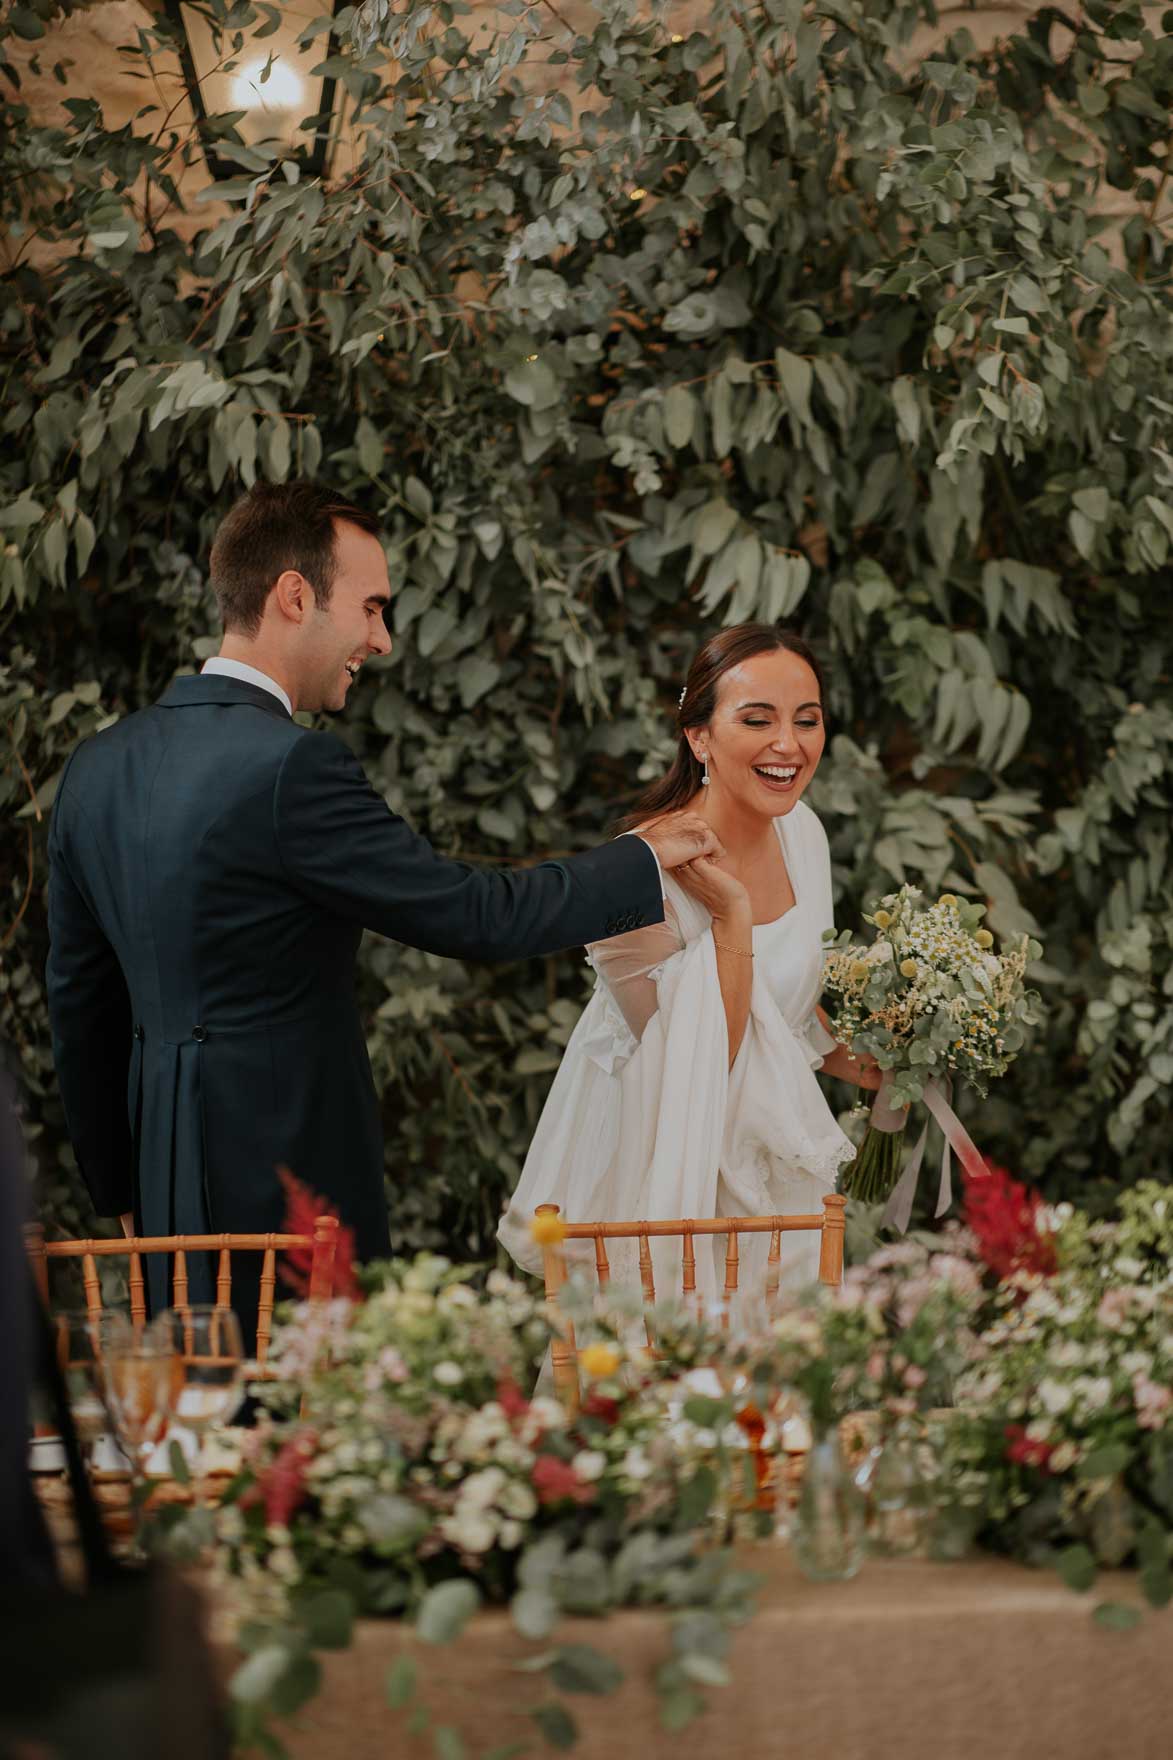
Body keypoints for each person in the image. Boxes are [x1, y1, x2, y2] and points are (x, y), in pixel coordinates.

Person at [45, 481, 719, 1339]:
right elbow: (474, 915)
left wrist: (120, 1191)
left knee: (205, 1448)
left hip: (161, 1197)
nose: (381, 638)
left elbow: (80, 1006)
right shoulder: (293, 771)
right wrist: (641, 859)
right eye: (370, 607)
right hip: (293, 1196)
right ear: (295, 596)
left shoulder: (95, 770)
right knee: (314, 1444)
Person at [498, 623, 881, 1303]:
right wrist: (729, 915)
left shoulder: (802, 831)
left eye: (807, 720)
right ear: (697, 736)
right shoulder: (638, 876)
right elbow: (704, 1068)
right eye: (756, 719)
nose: (788, 746)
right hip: (669, 1178)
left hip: (770, 1169)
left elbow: (784, 1010)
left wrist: (875, 1058)